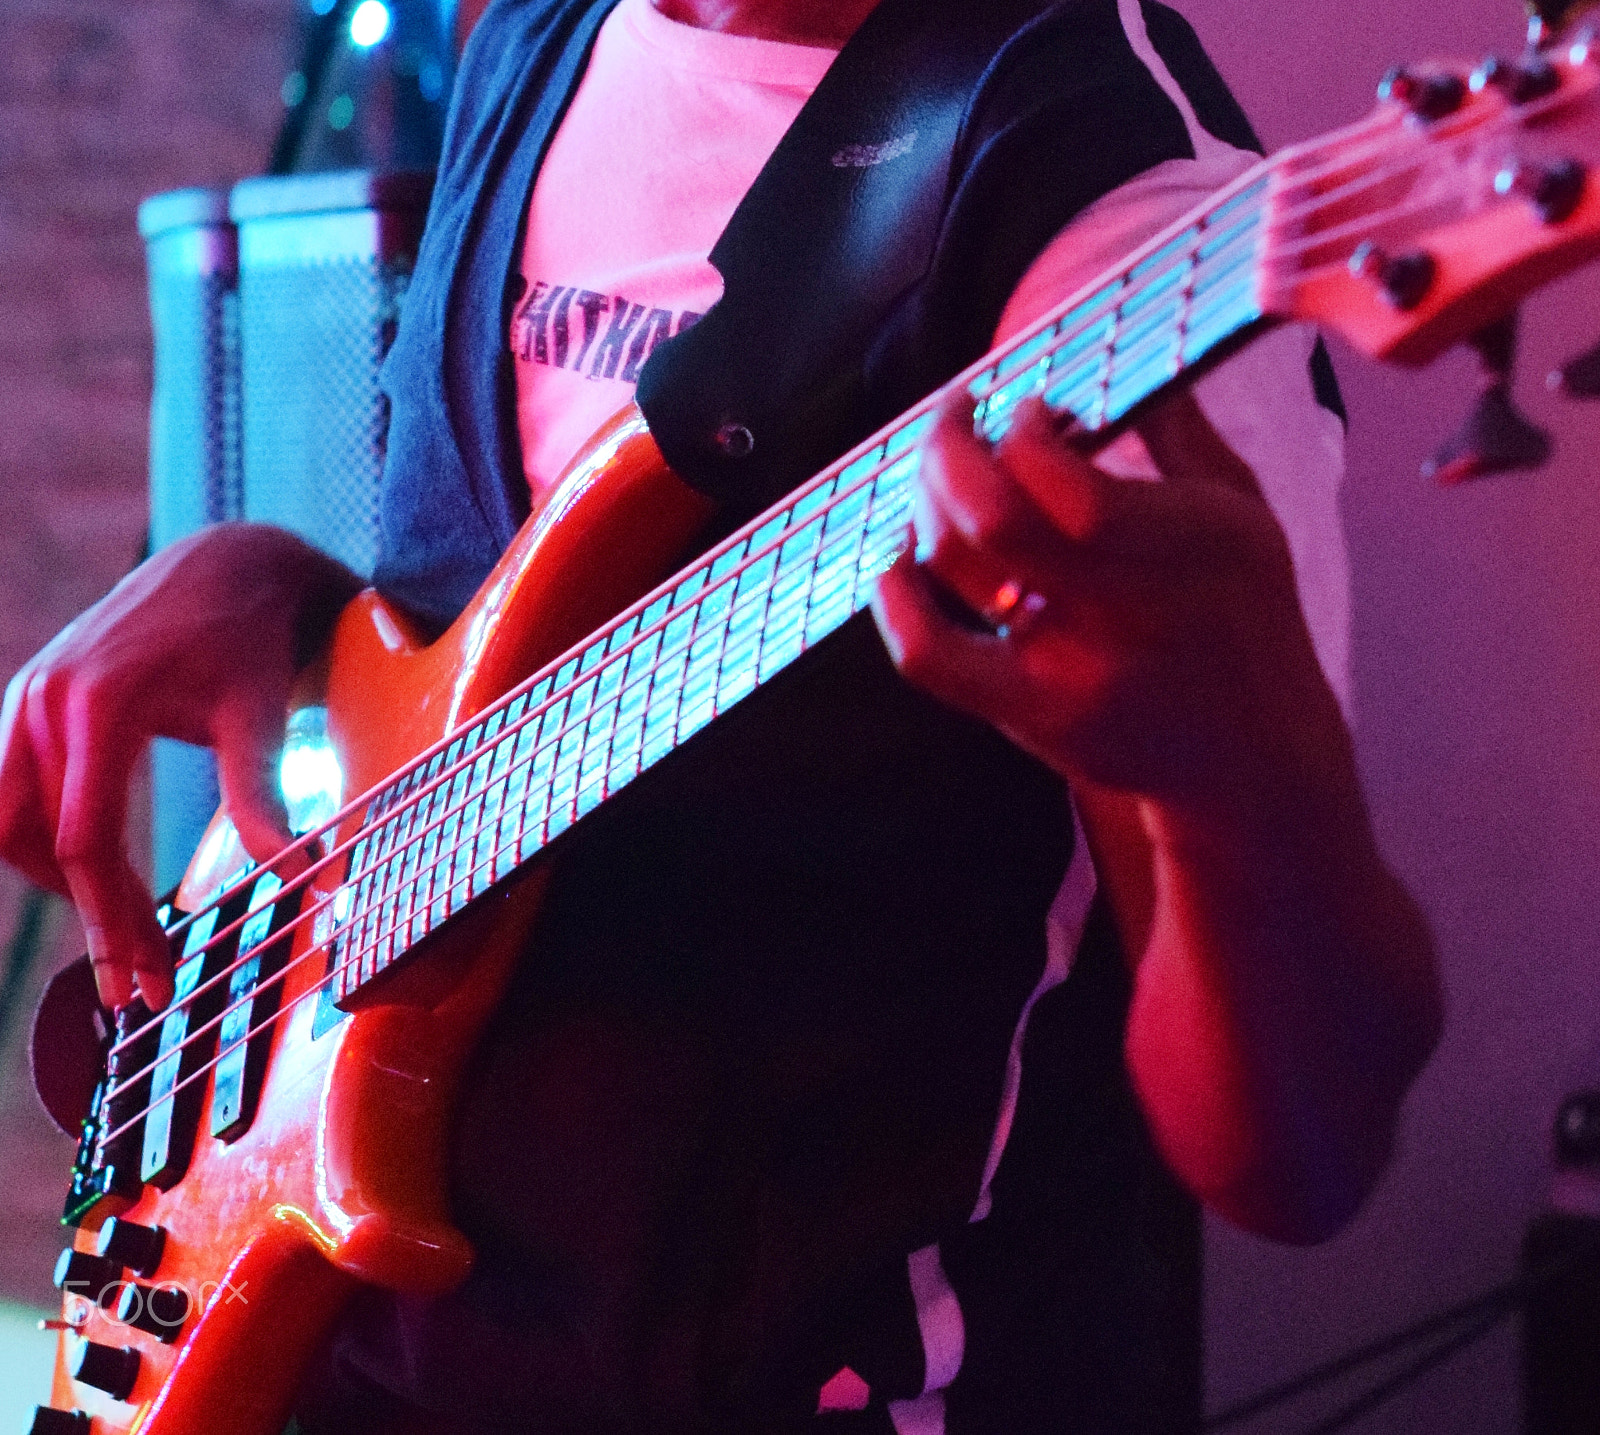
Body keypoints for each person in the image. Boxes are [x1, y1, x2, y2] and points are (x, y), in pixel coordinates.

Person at [0, 0, 1442, 1428]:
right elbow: (482, 631)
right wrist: (281, 593)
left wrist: (1244, 786)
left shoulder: (1107, 200)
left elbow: (1294, 1153)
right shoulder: (538, 30)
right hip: (362, 1360)